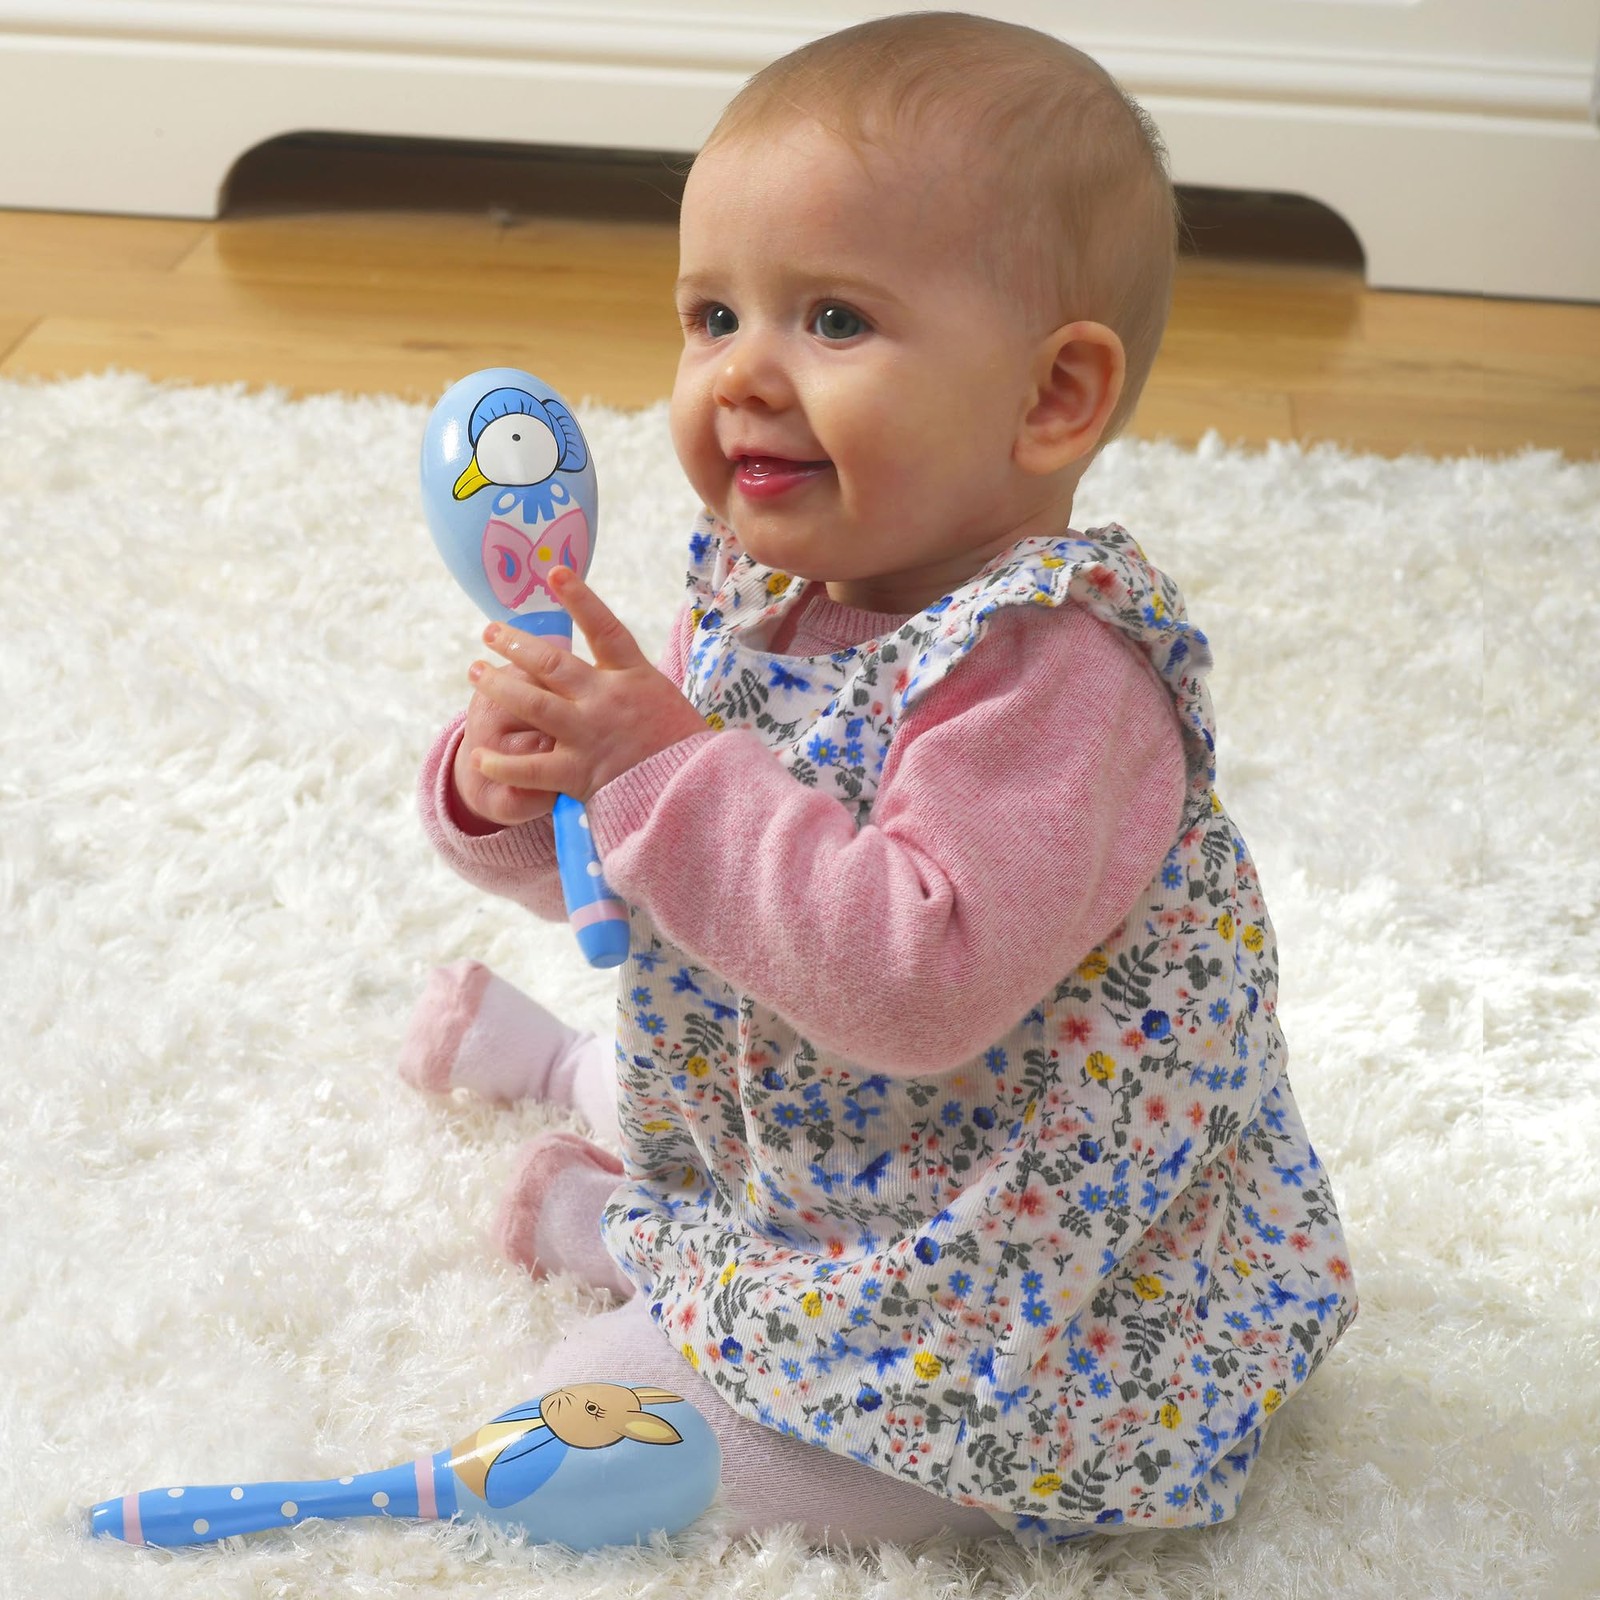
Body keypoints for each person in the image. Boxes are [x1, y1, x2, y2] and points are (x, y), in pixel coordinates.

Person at [400, 10, 1357, 1546]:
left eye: (832, 320)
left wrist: (656, 764)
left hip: (1011, 1247)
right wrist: (524, 785)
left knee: (603, 1422)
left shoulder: (1055, 679)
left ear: (1052, 397)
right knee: (675, 1132)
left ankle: (625, 1220)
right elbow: (651, 870)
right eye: (712, 315)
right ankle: (612, 1136)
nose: (741, 374)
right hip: (808, 1123)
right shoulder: (762, 589)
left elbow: (913, 987)